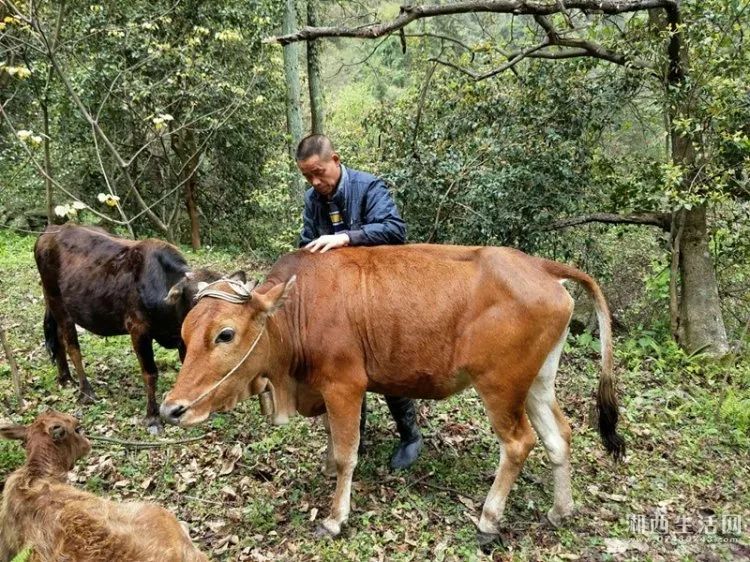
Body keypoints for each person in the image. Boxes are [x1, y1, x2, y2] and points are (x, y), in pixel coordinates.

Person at [296, 134, 423, 470]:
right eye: (308, 176)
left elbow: (394, 230)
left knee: (388, 366)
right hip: (340, 301)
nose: (315, 181)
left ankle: (410, 435)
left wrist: (345, 238)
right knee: (346, 369)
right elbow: (308, 240)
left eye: (319, 172)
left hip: (383, 294)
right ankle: (358, 434)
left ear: (335, 160)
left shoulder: (368, 187)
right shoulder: (313, 199)